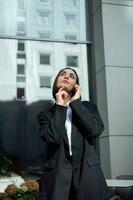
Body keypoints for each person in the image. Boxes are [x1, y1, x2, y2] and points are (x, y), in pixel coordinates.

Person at [37, 67, 113, 200]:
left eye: (72, 76)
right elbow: (53, 138)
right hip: (58, 174)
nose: (66, 77)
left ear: (76, 86)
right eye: (63, 74)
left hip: (87, 172)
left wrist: (76, 104)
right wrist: (60, 106)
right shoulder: (46, 115)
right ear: (56, 82)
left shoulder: (88, 107)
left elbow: (95, 131)